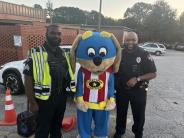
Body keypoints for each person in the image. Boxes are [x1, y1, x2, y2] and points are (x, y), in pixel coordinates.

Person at [23, 24, 75, 138]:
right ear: (46, 35)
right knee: (42, 130)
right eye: (53, 33)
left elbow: (68, 74)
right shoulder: (36, 53)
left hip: (61, 98)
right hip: (44, 101)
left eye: (58, 33)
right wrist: (32, 103)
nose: (56, 36)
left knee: (56, 128)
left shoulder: (63, 53)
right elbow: (27, 79)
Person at [114, 32, 157, 138]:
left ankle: (138, 133)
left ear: (137, 40)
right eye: (128, 40)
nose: (130, 42)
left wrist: (137, 79)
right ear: (124, 41)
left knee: (139, 115)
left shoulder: (144, 54)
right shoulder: (120, 53)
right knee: (120, 113)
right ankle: (119, 132)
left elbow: (153, 73)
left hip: (139, 91)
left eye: (133, 40)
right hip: (122, 90)